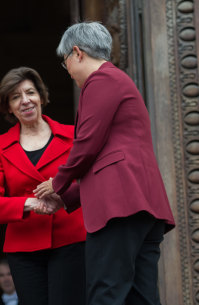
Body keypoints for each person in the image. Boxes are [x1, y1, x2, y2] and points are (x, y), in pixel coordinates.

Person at [34, 21, 176, 305]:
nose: (69, 72)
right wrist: (68, 197)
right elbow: (107, 158)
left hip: (119, 208)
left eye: (66, 63)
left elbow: (87, 144)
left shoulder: (100, 81)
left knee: (106, 293)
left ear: (77, 53)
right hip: (142, 207)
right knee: (142, 298)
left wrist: (57, 184)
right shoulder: (119, 81)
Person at [0, 67, 87, 305]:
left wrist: (62, 193)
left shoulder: (72, 136)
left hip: (70, 240)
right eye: (16, 97)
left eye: (30, 93)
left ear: (41, 96)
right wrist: (28, 203)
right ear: (8, 107)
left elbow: (93, 185)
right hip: (24, 248)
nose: (25, 101)